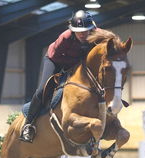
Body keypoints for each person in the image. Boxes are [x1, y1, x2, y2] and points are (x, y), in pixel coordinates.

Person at [20, 10, 98, 143]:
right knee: (43, 89)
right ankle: (29, 124)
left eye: (85, 31)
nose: (82, 34)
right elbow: (58, 60)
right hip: (55, 61)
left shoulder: (97, 35)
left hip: (77, 64)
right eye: (79, 31)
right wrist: (66, 72)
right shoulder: (65, 37)